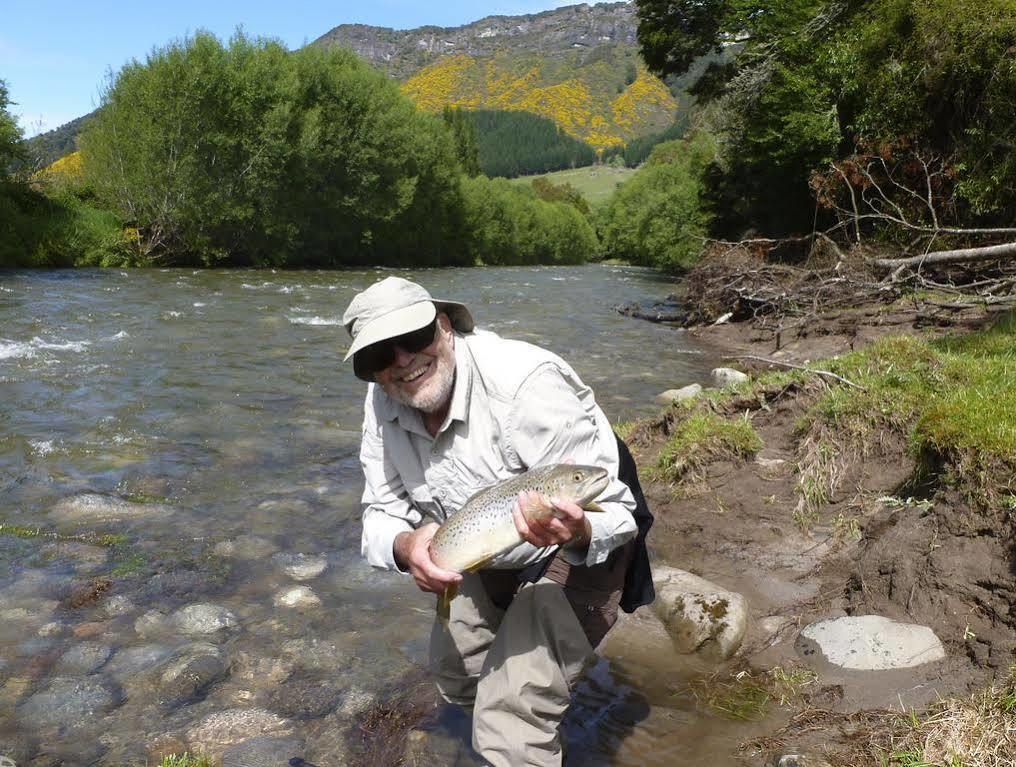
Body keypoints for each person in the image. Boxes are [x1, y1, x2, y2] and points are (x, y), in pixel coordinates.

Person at [344, 276, 653, 767]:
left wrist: (578, 530)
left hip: (579, 546)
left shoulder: (527, 383)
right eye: (381, 355)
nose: (402, 360)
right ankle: (527, 732)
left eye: (414, 339)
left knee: (510, 722)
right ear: (371, 370)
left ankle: (520, 735)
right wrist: (408, 548)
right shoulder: (384, 400)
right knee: (458, 675)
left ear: (444, 327)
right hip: (479, 545)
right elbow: (380, 514)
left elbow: (618, 510)